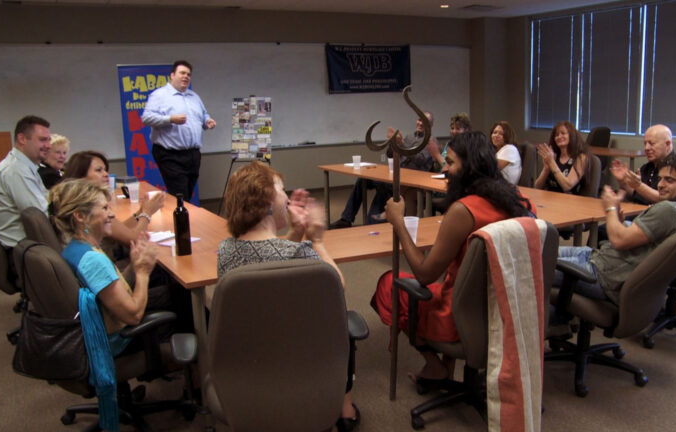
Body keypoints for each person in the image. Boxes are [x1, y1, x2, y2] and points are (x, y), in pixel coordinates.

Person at [371, 131, 537, 384]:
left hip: (458, 316)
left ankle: (435, 365)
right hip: (506, 312)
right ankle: (448, 366)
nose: (445, 169)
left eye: (450, 162)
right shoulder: (524, 203)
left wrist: (399, 223)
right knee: (454, 279)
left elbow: (425, 275)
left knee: (389, 283)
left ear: (469, 167)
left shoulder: (463, 211)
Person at [217, 162, 358, 431]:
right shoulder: (300, 252)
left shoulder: (226, 250)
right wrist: (317, 241)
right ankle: (345, 407)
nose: (287, 198)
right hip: (298, 361)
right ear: (267, 203)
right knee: (339, 319)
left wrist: (296, 232)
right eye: (282, 191)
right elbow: (336, 286)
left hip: (248, 365)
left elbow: (271, 257)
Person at [556, 153, 676, 303]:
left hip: (600, 275)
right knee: (543, 251)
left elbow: (619, 241)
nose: (660, 185)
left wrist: (610, 208)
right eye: (660, 179)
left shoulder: (670, 210)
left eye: (669, 180)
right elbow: (636, 238)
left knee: (539, 266)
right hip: (596, 258)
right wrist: (617, 217)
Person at [50, 179, 157, 356]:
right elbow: (134, 315)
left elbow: (112, 286)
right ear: (80, 216)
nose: (112, 215)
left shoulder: (76, 248)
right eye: (105, 208)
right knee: (182, 301)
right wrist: (143, 272)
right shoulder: (92, 260)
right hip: (116, 341)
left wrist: (135, 263)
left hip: (104, 324)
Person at [329, 112, 436, 228]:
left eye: (424, 121)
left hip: (412, 183)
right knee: (363, 180)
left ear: (430, 125)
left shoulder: (431, 141)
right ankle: (346, 218)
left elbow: (420, 160)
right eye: (419, 120)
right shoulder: (409, 137)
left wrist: (402, 144)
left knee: (383, 186)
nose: (420, 123)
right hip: (397, 176)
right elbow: (390, 155)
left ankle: (372, 222)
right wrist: (393, 143)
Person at [142, 60, 216, 201]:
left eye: (188, 74)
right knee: (180, 193)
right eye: (182, 73)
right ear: (172, 75)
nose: (186, 76)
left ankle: (181, 213)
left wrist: (208, 121)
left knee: (186, 193)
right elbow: (146, 118)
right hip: (170, 154)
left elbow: (203, 115)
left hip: (193, 154)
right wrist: (170, 119)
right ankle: (180, 214)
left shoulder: (194, 97)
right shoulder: (159, 95)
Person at [63, 151, 165, 245]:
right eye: (99, 170)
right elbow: (136, 240)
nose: (106, 174)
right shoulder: (89, 204)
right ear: (81, 176)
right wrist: (147, 213)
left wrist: (141, 211)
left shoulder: (78, 198)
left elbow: (121, 229)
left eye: (105, 170)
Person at [0, 115, 51, 258]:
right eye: (42, 140)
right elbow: (40, 217)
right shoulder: (16, 170)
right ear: (22, 139)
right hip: (21, 251)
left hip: (24, 243)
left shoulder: (25, 165)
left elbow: (45, 198)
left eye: (49, 140)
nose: (48, 145)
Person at [610, 124, 674, 205]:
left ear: (667, 144)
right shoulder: (647, 168)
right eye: (645, 144)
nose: (646, 148)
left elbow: (666, 200)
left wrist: (639, 186)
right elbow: (635, 196)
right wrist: (623, 182)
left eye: (652, 143)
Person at [535, 120, 590, 194]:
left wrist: (551, 163)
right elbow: (537, 187)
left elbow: (567, 186)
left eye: (563, 133)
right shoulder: (554, 156)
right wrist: (546, 169)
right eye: (556, 135)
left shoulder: (580, 158)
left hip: (569, 199)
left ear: (572, 135)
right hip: (549, 197)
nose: (559, 137)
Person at [490, 120, 522, 185]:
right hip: (495, 185)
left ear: (507, 136)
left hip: (504, 187)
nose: (496, 135)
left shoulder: (510, 148)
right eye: (494, 132)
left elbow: (491, 169)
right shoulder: (497, 150)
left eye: (501, 134)